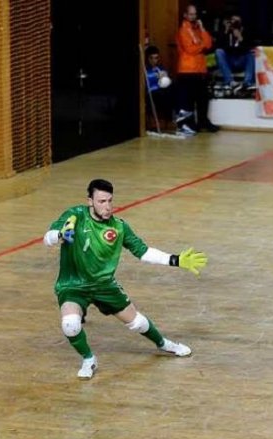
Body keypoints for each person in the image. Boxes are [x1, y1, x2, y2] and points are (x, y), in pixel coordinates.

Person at [43, 179, 209, 380]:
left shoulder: (119, 227)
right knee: (70, 324)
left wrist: (176, 260)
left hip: (104, 286)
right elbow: (48, 237)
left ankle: (163, 343)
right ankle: (88, 359)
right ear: (90, 201)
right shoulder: (75, 215)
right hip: (73, 285)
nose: (107, 206)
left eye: (110, 201)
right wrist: (59, 235)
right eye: (101, 201)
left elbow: (143, 251)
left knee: (138, 323)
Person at [175, 4, 219, 133]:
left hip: (200, 69)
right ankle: (190, 124)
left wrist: (203, 29)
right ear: (185, 15)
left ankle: (203, 121)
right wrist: (202, 46)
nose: (193, 16)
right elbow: (190, 49)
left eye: (195, 14)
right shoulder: (183, 30)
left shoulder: (198, 28)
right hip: (187, 70)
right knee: (189, 99)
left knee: (203, 98)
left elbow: (209, 43)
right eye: (191, 14)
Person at [144, 45, 194, 136]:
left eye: (156, 58)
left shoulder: (160, 69)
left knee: (177, 87)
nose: (154, 61)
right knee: (169, 95)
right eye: (151, 58)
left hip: (163, 92)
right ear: (147, 58)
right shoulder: (144, 70)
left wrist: (165, 76)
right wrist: (154, 77)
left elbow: (166, 82)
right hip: (152, 95)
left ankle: (182, 118)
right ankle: (180, 116)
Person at [215, 14, 256, 94]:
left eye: (237, 21)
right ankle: (230, 81)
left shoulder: (246, 31)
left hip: (242, 60)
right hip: (230, 60)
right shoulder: (226, 32)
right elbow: (218, 46)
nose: (235, 23)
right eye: (233, 20)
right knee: (219, 51)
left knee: (251, 53)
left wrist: (240, 38)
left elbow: (250, 47)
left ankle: (247, 83)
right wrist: (226, 32)